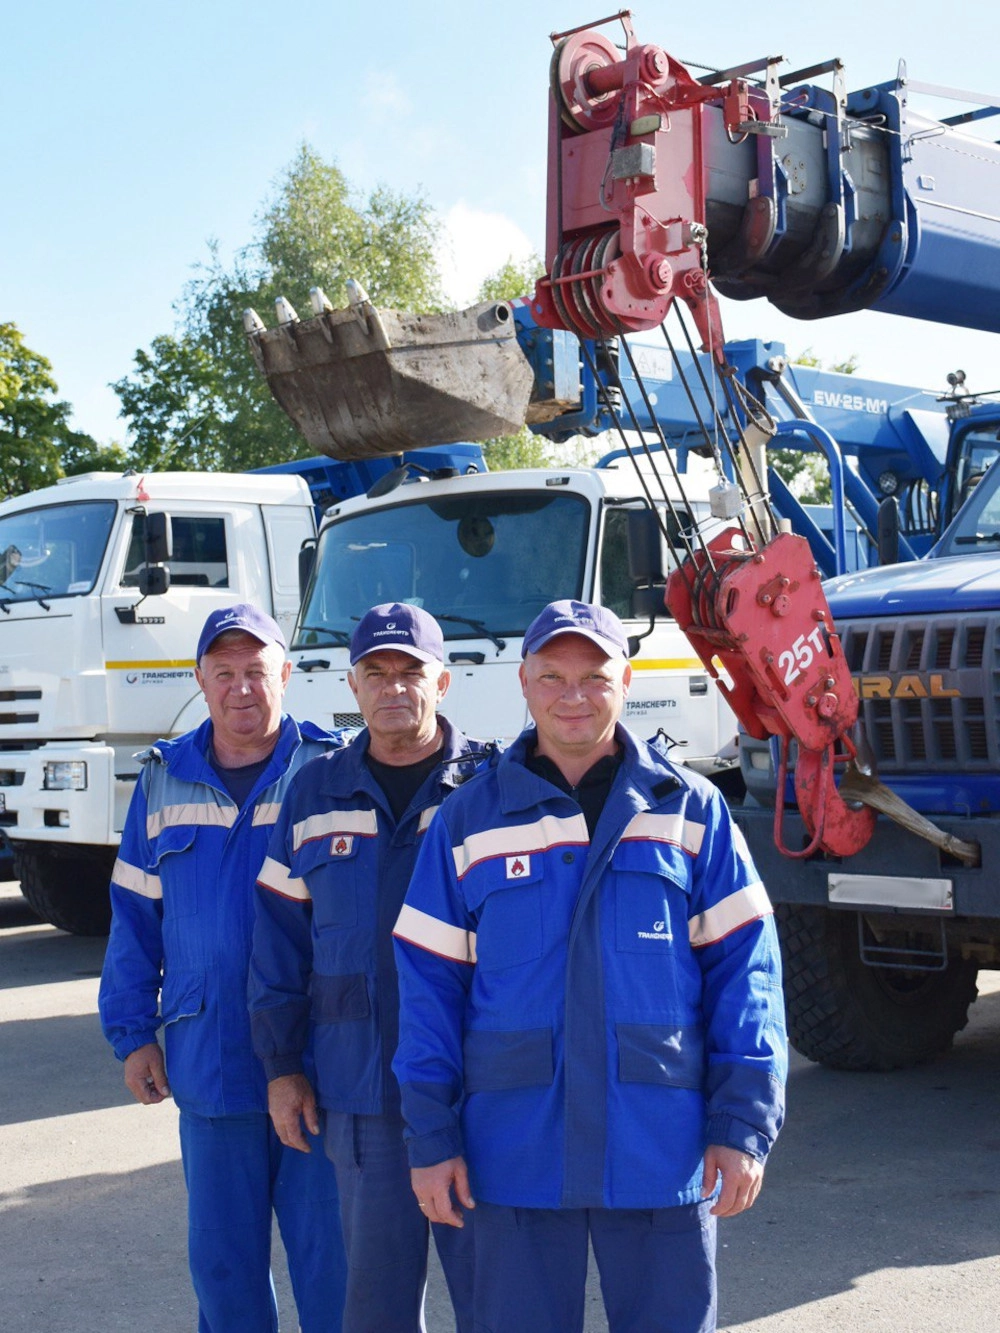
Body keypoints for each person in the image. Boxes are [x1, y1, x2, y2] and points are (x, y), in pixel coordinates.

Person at [391, 599, 788, 1333]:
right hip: (514, 1154)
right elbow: (428, 991)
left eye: (594, 677)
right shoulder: (468, 818)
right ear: (524, 682)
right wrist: (431, 1137)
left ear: (626, 682)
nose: (572, 695)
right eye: (552, 676)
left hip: (660, 1148)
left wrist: (742, 1124)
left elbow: (748, 977)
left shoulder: (689, 808)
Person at [99, 603, 348, 1333]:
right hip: (210, 1059)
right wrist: (132, 1034)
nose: (242, 688)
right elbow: (134, 915)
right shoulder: (163, 779)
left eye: (257, 671)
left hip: (321, 1058)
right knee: (224, 1271)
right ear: (200, 679)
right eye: (225, 672)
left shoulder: (330, 769)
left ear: (286, 674)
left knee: (336, 1268)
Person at [249, 603, 482, 1333]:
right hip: (362, 1092)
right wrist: (282, 1067)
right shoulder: (314, 792)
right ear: (352, 685)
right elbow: (279, 941)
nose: (393, 687)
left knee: (498, 1302)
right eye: (375, 672)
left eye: (411, 671)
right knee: (375, 1310)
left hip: (481, 1093)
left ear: (442, 682)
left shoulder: (489, 788)